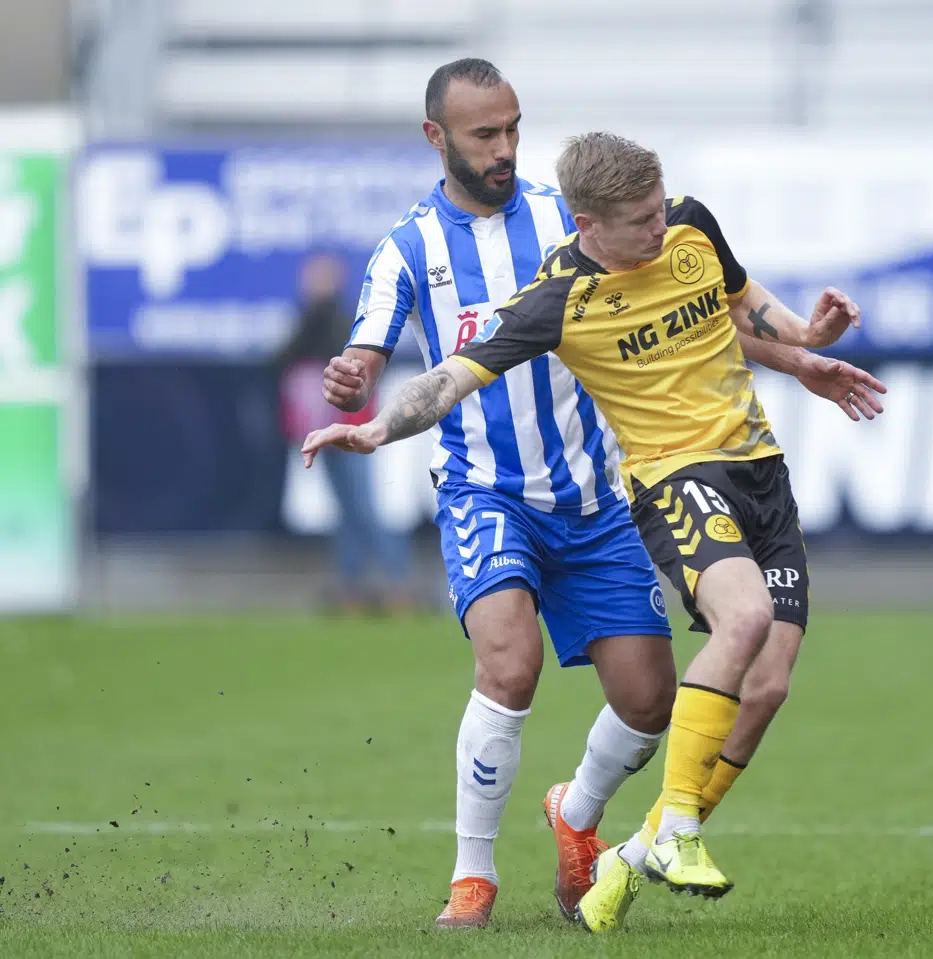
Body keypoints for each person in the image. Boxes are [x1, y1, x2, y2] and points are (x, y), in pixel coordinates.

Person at [316, 62, 887, 930]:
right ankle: (474, 878)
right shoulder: (418, 250)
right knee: (512, 664)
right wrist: (367, 406)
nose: (505, 147)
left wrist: (803, 352)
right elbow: (415, 365)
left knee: (652, 697)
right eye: (484, 134)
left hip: (594, 496)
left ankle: (578, 817)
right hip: (490, 489)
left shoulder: (590, 214)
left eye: (513, 127)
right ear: (438, 138)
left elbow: (717, 304)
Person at [275, 251, 413, 613]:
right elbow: (284, 355)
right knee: (348, 512)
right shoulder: (313, 319)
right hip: (325, 425)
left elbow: (299, 353)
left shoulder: (341, 318)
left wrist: (318, 306)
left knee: (363, 508)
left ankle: (399, 585)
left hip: (351, 426)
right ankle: (353, 587)